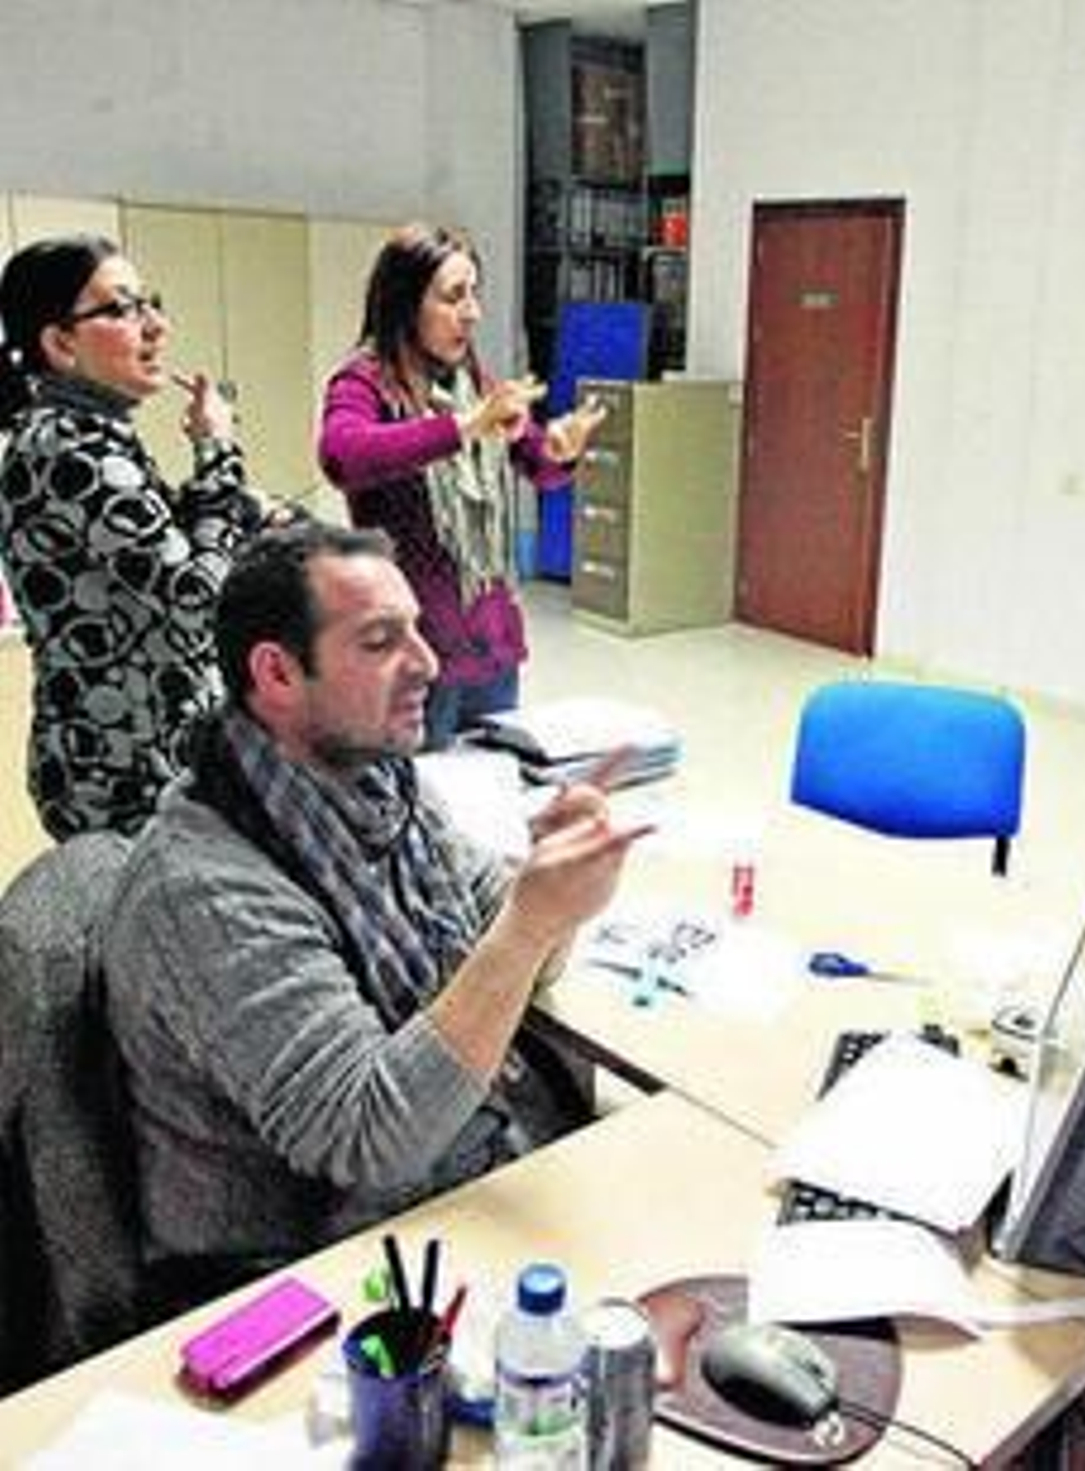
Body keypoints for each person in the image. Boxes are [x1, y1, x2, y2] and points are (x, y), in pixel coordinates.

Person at [103, 521, 645, 1306]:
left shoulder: (378, 782)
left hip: (451, 1176)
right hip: (305, 1269)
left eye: (417, 629)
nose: (428, 662)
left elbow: (504, 954)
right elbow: (371, 1137)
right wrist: (531, 921)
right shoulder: (200, 890)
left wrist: (552, 888)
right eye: (381, 641)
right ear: (277, 673)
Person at [0, 233, 263, 840]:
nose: (156, 326)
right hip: (122, 777)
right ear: (60, 344)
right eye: (123, 309)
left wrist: (236, 506)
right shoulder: (68, 448)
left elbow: (156, 555)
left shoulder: (89, 435)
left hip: (145, 760)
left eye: (150, 303)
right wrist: (218, 452)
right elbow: (195, 597)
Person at [318, 223, 606, 750]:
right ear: (406, 303)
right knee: (422, 790)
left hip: (491, 646)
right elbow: (342, 455)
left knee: (490, 785)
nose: (471, 313)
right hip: (414, 651)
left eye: (474, 294)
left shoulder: (473, 384)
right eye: (453, 297)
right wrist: (464, 427)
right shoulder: (365, 382)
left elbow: (535, 462)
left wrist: (559, 450)